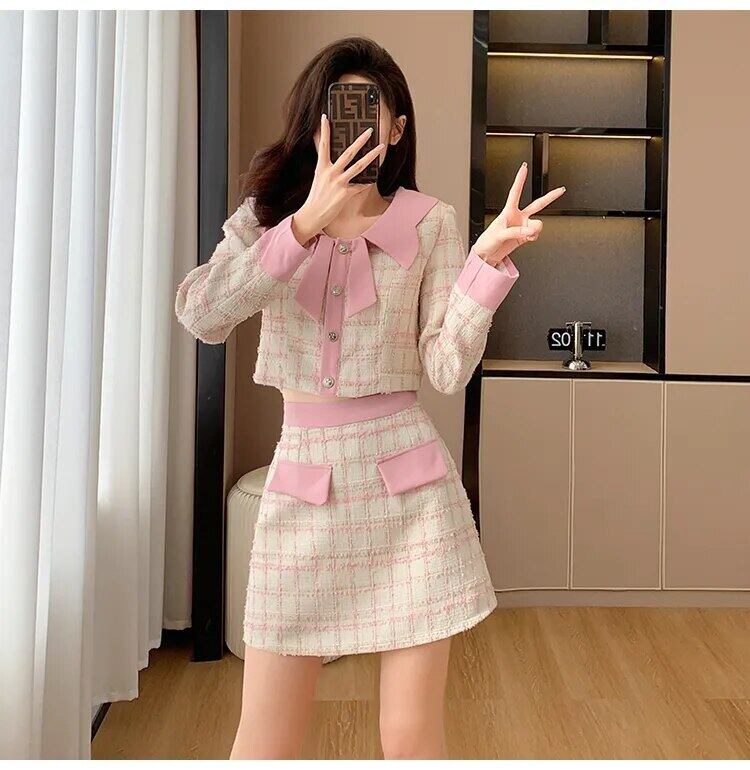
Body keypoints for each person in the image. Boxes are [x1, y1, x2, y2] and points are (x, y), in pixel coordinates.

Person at [174, 36, 565, 761]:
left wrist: (484, 268)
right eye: (338, 106)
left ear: (396, 127)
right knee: (264, 741)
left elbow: (445, 368)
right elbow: (202, 314)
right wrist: (303, 224)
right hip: (305, 490)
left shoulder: (431, 222)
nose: (353, 122)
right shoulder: (266, 217)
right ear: (314, 121)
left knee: (411, 738)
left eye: (370, 107)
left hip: (410, 501)